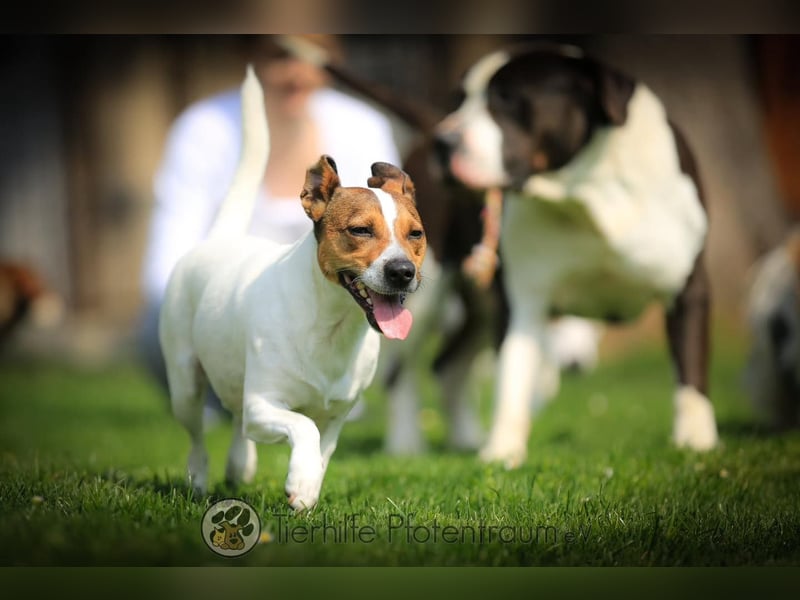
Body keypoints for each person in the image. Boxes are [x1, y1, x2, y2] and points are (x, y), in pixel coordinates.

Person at [139, 35, 402, 402]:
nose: (297, 74)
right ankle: (218, 404)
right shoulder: (204, 129)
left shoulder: (361, 126)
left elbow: (390, 236)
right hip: (229, 316)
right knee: (157, 318)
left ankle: (331, 395)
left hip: (330, 316)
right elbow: (165, 266)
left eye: (312, 58)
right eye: (280, 57)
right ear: (249, 55)